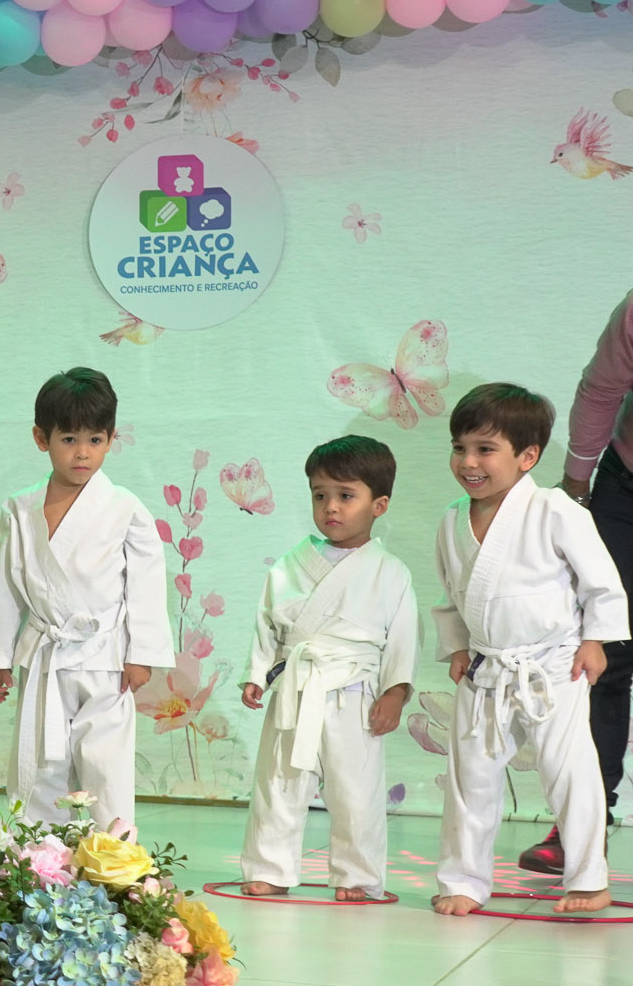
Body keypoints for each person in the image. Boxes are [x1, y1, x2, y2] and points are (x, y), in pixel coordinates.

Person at [431, 383, 627, 917]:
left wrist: (595, 640)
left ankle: (588, 879)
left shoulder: (555, 509)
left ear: (528, 456)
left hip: (553, 663)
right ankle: (464, 880)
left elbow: (601, 583)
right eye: (459, 448)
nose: (468, 462)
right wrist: (457, 647)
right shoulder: (451, 519)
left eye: (485, 449)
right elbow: (451, 594)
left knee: (569, 771)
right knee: (470, 779)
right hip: (486, 666)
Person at [0, 367, 172, 834]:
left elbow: (146, 585)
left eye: (95, 439)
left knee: (104, 762)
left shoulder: (126, 508)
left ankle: (115, 855)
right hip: (45, 655)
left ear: (111, 439)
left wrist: (141, 653)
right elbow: (6, 585)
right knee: (41, 760)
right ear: (40, 438)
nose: (82, 452)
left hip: (105, 655)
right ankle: (38, 854)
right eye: (68, 439)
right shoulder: (19, 509)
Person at [238, 436, 416, 901]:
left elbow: (402, 638)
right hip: (295, 688)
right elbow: (267, 624)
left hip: (355, 693)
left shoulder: (391, 571)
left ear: (379, 505)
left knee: (356, 792)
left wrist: (395, 692)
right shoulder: (289, 564)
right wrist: (257, 674)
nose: (330, 507)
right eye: (320, 495)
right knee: (279, 783)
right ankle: (269, 867)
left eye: (345, 495)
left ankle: (357, 876)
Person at [548, 289, 633, 874]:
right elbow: (603, 390)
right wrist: (577, 483)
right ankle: (584, 825)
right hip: (625, 485)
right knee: (605, 649)